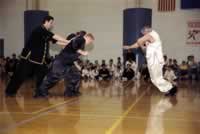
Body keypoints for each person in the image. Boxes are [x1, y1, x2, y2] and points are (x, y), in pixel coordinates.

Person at [5, 15, 70, 97]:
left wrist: (67, 44)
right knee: (21, 75)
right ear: (46, 21)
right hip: (29, 58)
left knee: (42, 75)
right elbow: (54, 36)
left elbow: (55, 41)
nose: (52, 25)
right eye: (51, 23)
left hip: (39, 59)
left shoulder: (45, 32)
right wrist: (67, 41)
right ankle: (10, 91)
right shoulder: (40, 29)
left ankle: (40, 92)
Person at [34, 33, 95, 98]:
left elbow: (73, 51)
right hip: (61, 62)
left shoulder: (81, 42)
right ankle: (41, 92)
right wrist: (82, 52)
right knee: (53, 78)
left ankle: (71, 92)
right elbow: (74, 45)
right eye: (90, 42)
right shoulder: (81, 39)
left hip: (68, 63)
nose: (89, 43)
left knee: (75, 75)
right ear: (89, 38)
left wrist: (77, 62)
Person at [124, 26, 177, 96]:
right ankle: (169, 89)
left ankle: (172, 88)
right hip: (152, 60)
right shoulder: (149, 37)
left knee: (157, 78)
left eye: (143, 33)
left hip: (155, 60)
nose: (143, 35)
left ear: (146, 30)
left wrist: (142, 47)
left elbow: (139, 41)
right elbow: (138, 44)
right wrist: (129, 47)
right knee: (154, 79)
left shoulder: (152, 34)